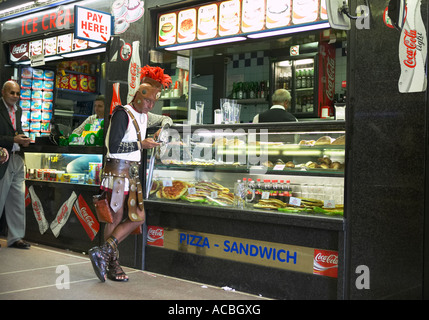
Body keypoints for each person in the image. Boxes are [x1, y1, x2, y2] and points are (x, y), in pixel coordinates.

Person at [89, 66, 172, 282]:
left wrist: (164, 127)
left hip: (130, 175)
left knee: (138, 217)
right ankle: (111, 264)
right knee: (115, 218)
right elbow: (114, 146)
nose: (150, 106)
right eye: (148, 101)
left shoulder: (144, 114)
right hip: (117, 171)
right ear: (138, 96)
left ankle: (104, 253)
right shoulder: (122, 114)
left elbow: (164, 119)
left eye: (154, 102)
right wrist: (140, 144)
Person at [0, 80, 32, 249]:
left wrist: (23, 138)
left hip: (16, 157)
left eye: (18, 93)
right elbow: (9, 136)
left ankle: (15, 238)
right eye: (12, 93)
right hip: (2, 158)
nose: (15, 96)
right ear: (3, 92)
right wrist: (12, 139)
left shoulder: (18, 111)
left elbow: (16, 131)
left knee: (17, 198)